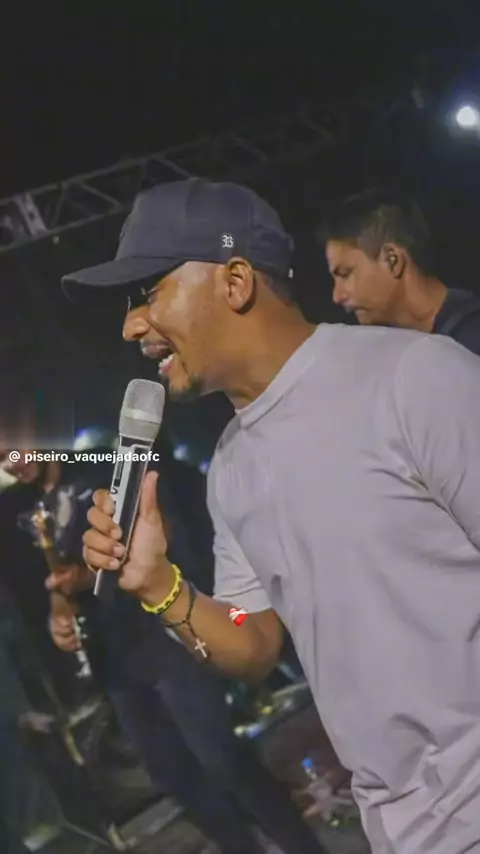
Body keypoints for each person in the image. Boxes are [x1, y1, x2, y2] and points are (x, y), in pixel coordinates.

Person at [63, 177, 480, 854]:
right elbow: (251, 636)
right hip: (406, 831)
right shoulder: (231, 467)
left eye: (147, 292)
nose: (131, 325)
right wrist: (162, 587)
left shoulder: (412, 378)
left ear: (234, 281)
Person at [0, 449, 322, 854]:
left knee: (221, 760)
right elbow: (59, 584)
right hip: (115, 664)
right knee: (176, 779)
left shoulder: (101, 466)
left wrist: (85, 576)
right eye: (1, 460)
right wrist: (59, 615)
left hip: (165, 635)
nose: (11, 463)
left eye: (11, 449)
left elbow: (153, 537)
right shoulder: (28, 509)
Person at [319, 186, 480, 353]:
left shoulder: (471, 338)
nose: (337, 296)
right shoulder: (396, 350)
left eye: (345, 273)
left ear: (392, 260)